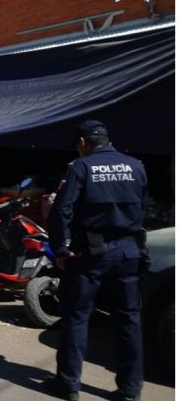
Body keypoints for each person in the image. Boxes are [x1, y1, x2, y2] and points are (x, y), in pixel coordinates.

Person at [43, 120, 147, 401]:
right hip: (129, 251)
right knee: (129, 320)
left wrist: (60, 249)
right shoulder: (136, 166)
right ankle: (130, 390)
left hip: (91, 254)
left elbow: (62, 210)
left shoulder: (81, 167)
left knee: (77, 317)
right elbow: (143, 207)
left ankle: (68, 384)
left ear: (82, 143)